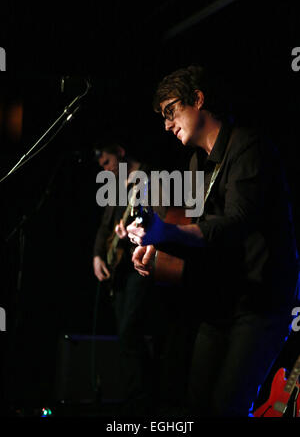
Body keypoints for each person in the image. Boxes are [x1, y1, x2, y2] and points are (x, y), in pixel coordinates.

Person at [126, 65, 300, 417]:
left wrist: (166, 233)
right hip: (221, 301)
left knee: (227, 406)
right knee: (197, 403)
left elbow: (235, 224)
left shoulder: (250, 147)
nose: (166, 124)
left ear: (198, 99)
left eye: (170, 111)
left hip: (261, 302)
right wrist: (153, 247)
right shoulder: (196, 163)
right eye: (163, 117)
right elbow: (197, 232)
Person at [93, 143, 155, 416]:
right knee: (124, 335)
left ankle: (143, 403)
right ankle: (135, 401)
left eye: (107, 162)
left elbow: (152, 215)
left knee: (131, 329)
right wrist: (97, 255)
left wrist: (135, 226)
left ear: (119, 151)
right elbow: (106, 223)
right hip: (117, 269)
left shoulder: (148, 177)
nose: (105, 170)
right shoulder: (115, 185)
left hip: (140, 266)